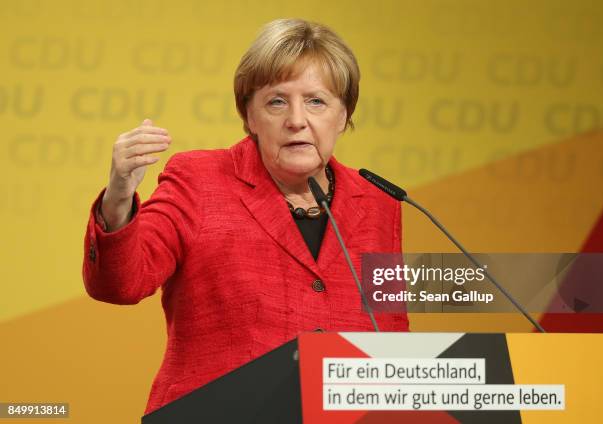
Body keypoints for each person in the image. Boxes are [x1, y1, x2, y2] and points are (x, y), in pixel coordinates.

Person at [82, 18, 408, 415]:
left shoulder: (377, 201)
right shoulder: (200, 179)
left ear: (343, 115)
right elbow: (121, 283)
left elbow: (390, 335)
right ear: (250, 116)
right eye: (277, 101)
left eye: (316, 101)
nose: (296, 119)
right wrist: (119, 196)